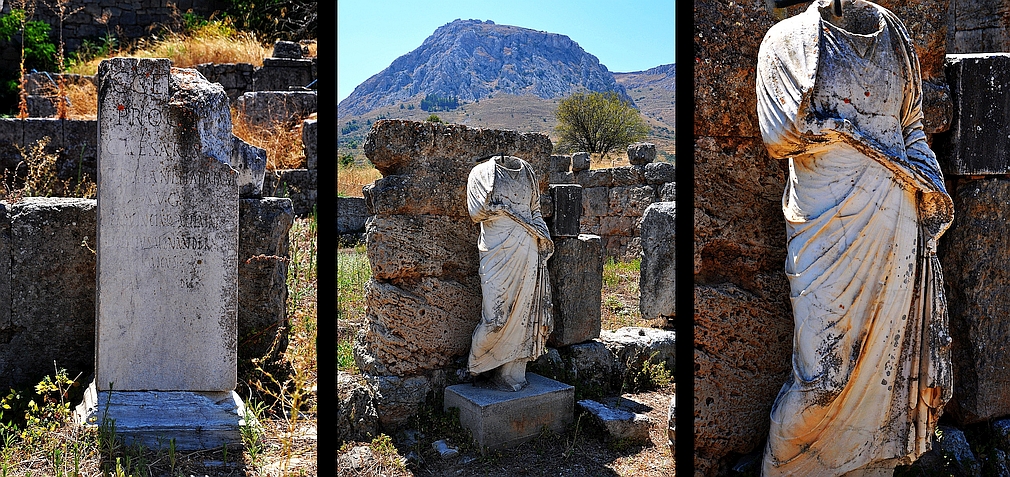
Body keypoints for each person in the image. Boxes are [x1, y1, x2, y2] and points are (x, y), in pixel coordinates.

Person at [756, 0, 954, 475]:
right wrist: (845, 133)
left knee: (887, 374)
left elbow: (911, 129)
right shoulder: (786, 41)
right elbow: (778, 135)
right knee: (821, 378)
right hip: (826, 217)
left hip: (898, 216)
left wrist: (929, 187)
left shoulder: (894, 36)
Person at [465, 155, 553, 392]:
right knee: (496, 318)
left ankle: (510, 372)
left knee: (524, 315)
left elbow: (534, 210)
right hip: (496, 250)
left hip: (528, 249)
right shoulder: (481, 172)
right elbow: (476, 211)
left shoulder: (527, 171)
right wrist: (502, 210)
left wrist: (543, 238)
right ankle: (476, 365)